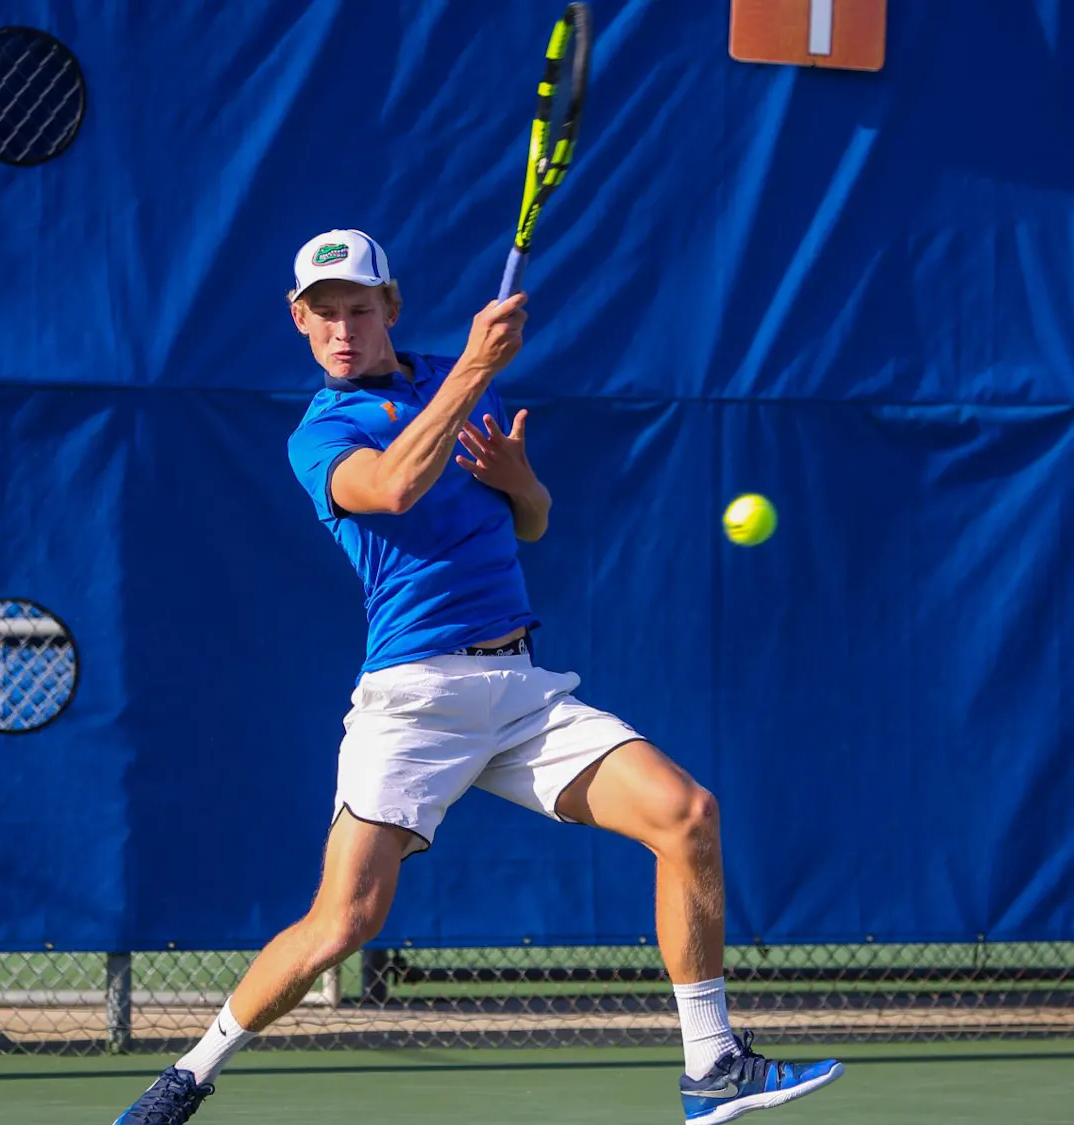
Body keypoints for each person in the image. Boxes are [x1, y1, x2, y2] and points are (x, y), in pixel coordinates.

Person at [113, 229, 844, 1125]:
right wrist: (472, 370)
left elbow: (527, 525)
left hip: (522, 690)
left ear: (392, 306)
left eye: (359, 307)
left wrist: (521, 480)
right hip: (414, 701)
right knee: (344, 923)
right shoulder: (323, 431)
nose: (343, 328)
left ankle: (712, 1064)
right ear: (300, 323)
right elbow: (389, 490)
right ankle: (190, 1073)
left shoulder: (448, 380)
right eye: (324, 313)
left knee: (687, 814)